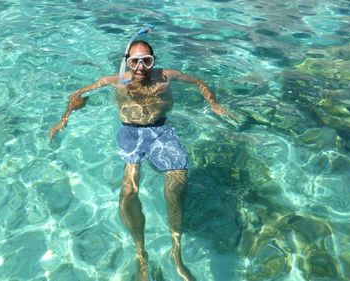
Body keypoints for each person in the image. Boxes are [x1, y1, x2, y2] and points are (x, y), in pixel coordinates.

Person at [49, 40, 236, 281]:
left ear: (153, 60)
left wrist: (213, 104)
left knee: (177, 186)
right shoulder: (115, 81)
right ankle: (141, 254)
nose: (140, 67)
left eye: (146, 60)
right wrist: (67, 115)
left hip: (162, 132)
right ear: (127, 62)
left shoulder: (166, 76)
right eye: (134, 61)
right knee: (128, 193)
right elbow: (77, 94)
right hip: (131, 134)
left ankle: (176, 254)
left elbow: (198, 82)